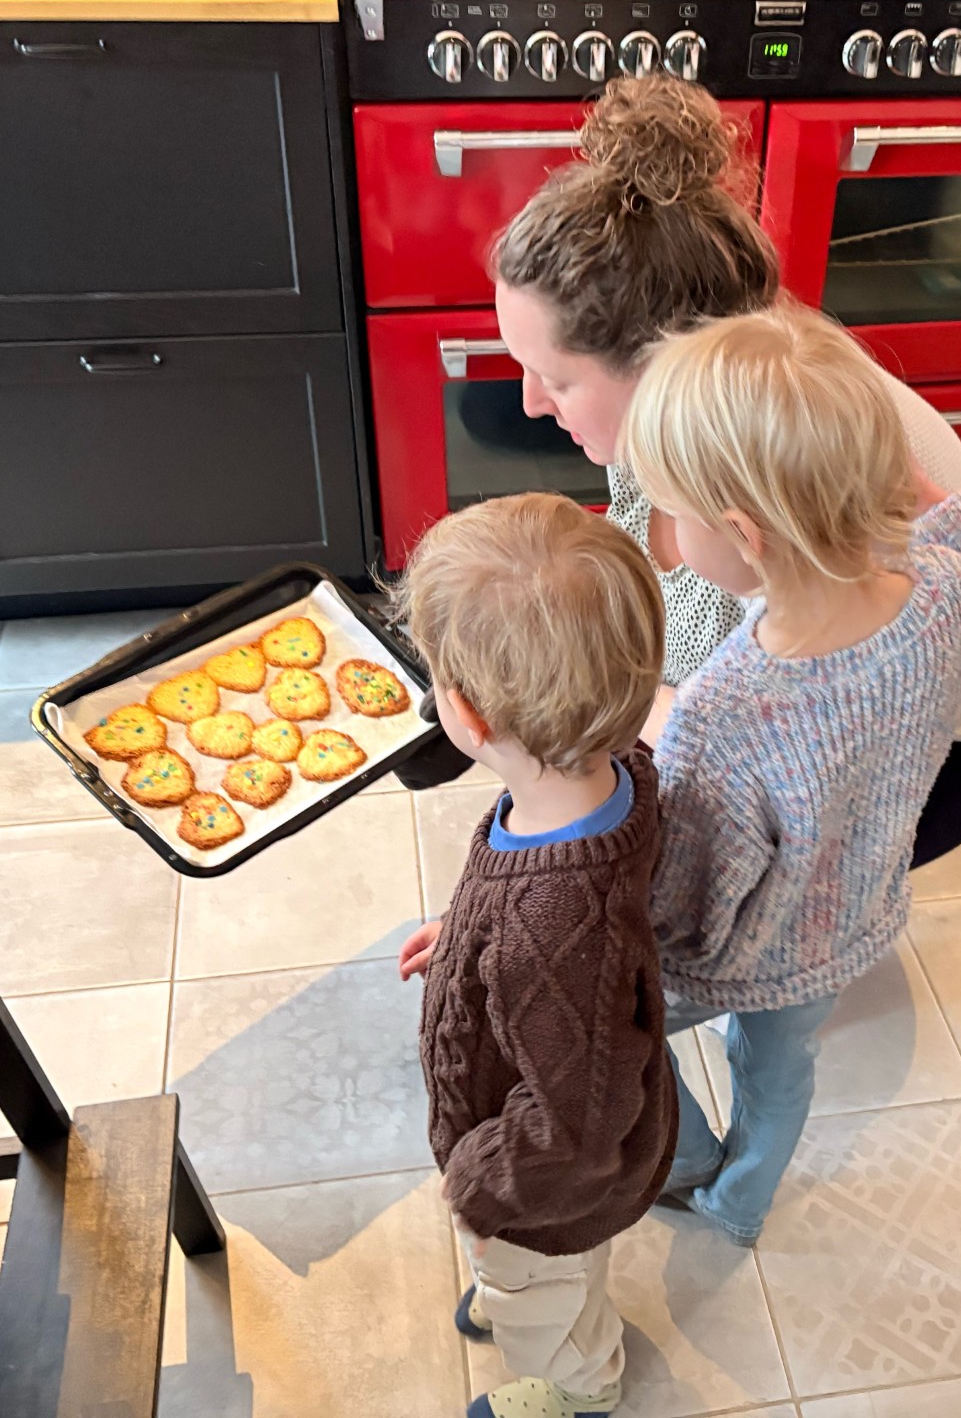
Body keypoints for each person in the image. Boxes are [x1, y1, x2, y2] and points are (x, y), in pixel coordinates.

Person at [402, 72, 961, 874]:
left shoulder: (789, 474)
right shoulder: (701, 386)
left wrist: (554, 703)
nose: (533, 403)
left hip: (936, 743)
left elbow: (754, 748)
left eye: (558, 379)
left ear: (661, 363)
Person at [623, 304, 961, 1245]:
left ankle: (690, 1163)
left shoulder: (725, 710)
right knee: (781, 1072)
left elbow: (691, 894)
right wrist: (932, 493)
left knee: (616, 1033)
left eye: (671, 511)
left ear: (743, 533)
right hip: (856, 922)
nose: (664, 531)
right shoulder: (944, 598)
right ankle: (743, 1206)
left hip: (752, 950)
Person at [392, 493, 677, 1418]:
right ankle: (537, 1299)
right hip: (549, 1129)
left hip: (543, 1190)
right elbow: (551, 922)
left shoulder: (554, 923)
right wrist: (470, 933)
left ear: (466, 716)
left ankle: (577, 1385)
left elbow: (579, 1122)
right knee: (538, 1280)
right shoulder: (617, 771)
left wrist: (482, 1188)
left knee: (543, 1301)